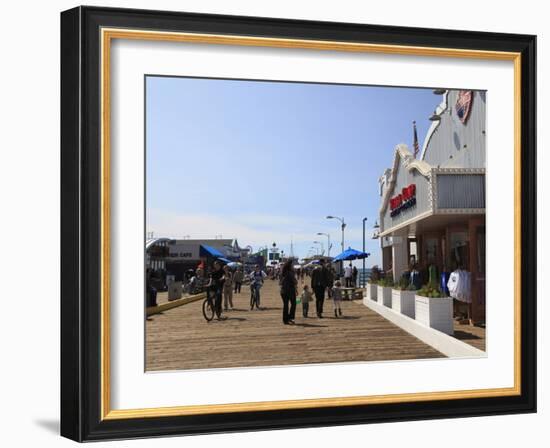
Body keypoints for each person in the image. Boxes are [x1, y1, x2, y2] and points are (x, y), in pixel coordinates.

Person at [279, 259, 298, 324]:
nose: (293, 266)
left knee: (285, 305)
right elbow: (295, 281)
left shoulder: (282, 272)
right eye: (292, 265)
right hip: (290, 290)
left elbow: (280, 282)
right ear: (290, 265)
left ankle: (285, 320)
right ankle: (291, 317)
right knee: (293, 304)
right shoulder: (290, 272)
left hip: (283, 291)